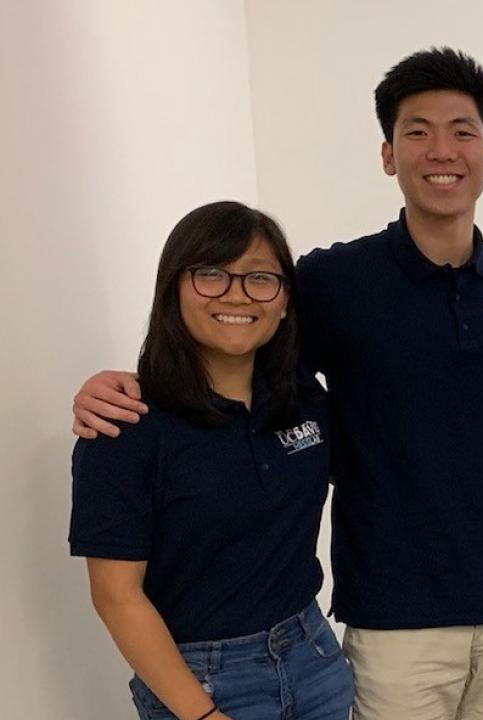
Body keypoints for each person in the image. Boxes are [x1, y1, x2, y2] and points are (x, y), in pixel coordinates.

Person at [71, 48, 483, 720]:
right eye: (416, 131)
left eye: (462, 131)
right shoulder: (335, 283)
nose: (440, 150)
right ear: (389, 154)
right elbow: (237, 333)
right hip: (393, 617)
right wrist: (125, 384)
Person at [70, 201, 353, 720]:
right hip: (201, 681)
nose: (237, 295)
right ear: (173, 287)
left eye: (260, 278)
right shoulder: (125, 426)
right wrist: (201, 715)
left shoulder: (303, 400)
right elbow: (116, 596)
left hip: (314, 657)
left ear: (286, 300)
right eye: (211, 274)